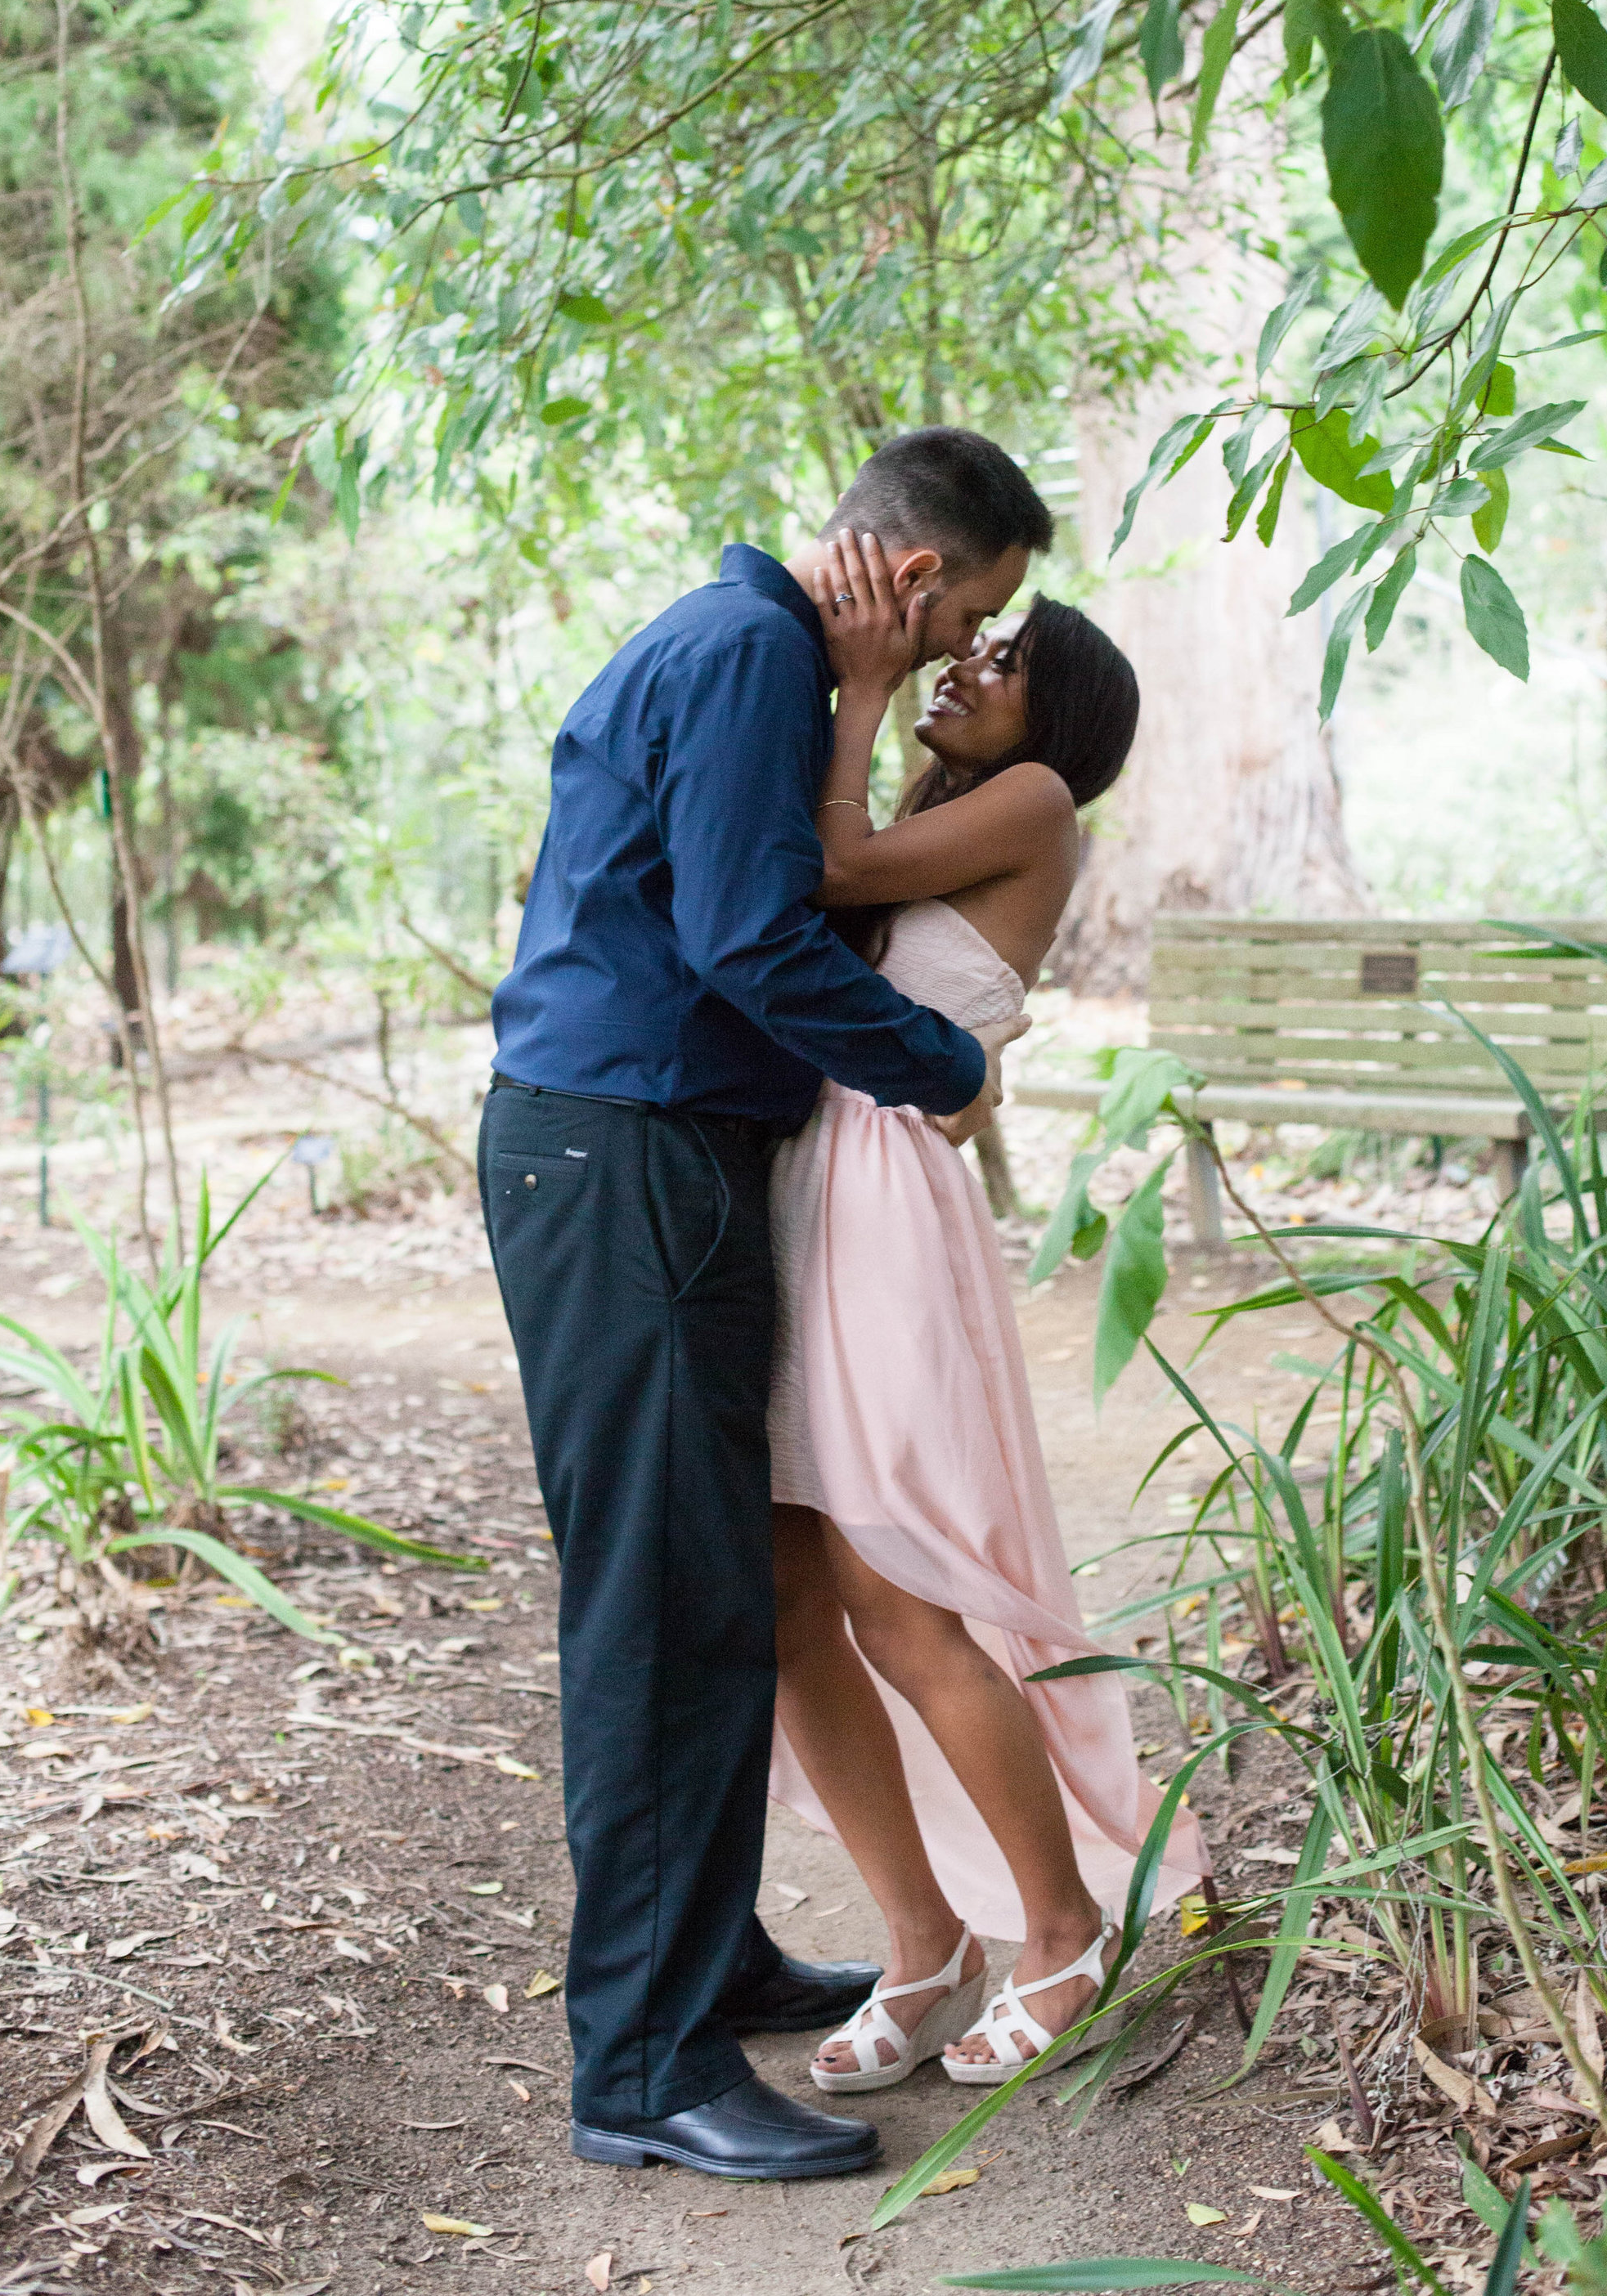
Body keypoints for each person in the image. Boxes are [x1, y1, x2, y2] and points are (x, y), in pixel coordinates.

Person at [480, 429, 1049, 2186]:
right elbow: (752, 934)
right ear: (910, 568)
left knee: (717, 1578)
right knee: (663, 1606)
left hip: (656, 1154)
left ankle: (706, 1963)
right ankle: (643, 2066)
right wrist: (947, 1061)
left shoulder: (755, 657)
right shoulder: (747, 657)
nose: (968, 649)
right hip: (626, 1155)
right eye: (975, 609)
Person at [767, 530, 1207, 2095]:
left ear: (1058, 716)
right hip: (813, 1180)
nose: (973, 660)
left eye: (1005, 659)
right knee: (785, 1589)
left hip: (881, 1202)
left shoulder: (1033, 806)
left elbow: (817, 876)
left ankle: (1062, 1925)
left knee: (899, 1585)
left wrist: (865, 684)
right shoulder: (952, 807)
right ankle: (920, 1942)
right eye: (977, 641)